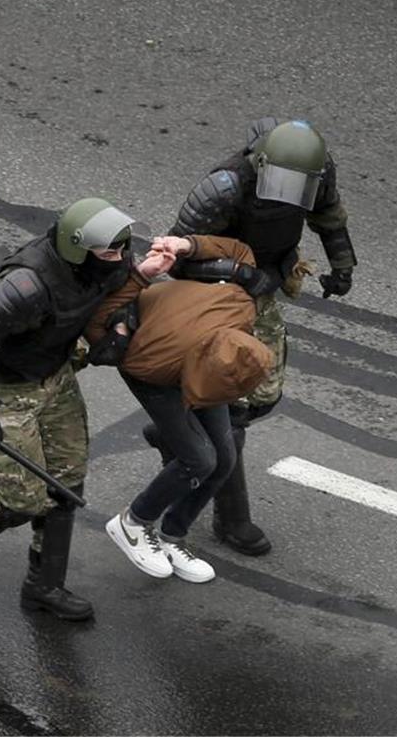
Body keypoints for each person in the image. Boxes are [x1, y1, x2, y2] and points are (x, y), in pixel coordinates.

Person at [0, 197, 166, 621]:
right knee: (23, 498)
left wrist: (139, 280)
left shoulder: (101, 266)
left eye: (124, 248)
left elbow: (116, 289)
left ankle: (44, 587)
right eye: (110, 250)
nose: (121, 257)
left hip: (55, 379)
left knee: (66, 482)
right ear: (77, 247)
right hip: (7, 390)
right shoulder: (25, 286)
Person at [142, 116, 358, 556]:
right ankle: (232, 519)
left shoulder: (317, 173)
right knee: (234, 404)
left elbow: (328, 216)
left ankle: (177, 433)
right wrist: (239, 273)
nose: (288, 192)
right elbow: (177, 257)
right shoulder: (224, 186)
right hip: (216, 293)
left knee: (263, 394)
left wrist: (343, 265)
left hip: (264, 284)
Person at [84, 235, 274, 582]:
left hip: (202, 355)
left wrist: (187, 245)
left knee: (225, 459)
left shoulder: (242, 310)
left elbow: (235, 250)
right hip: (152, 372)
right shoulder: (152, 362)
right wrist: (141, 277)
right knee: (200, 458)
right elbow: (98, 324)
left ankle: (172, 536)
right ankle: (133, 522)